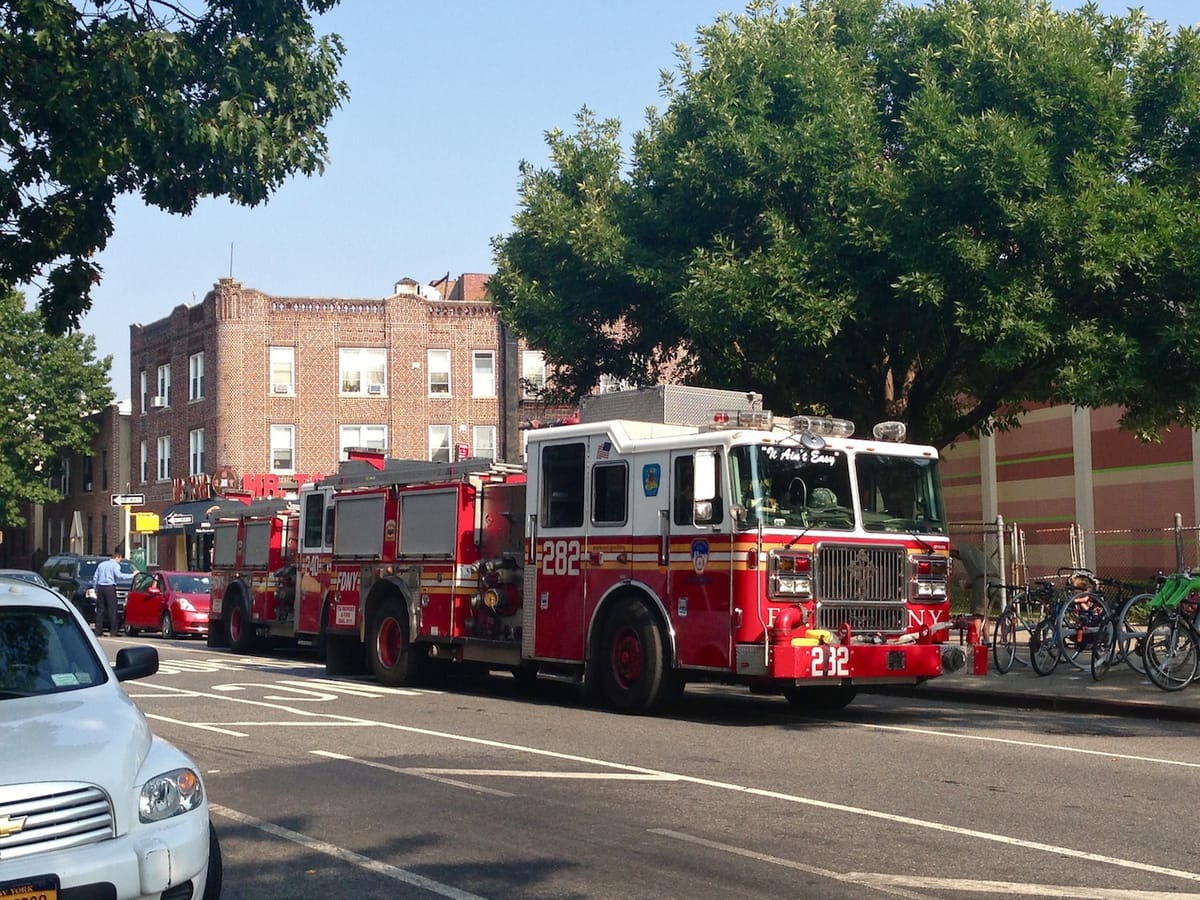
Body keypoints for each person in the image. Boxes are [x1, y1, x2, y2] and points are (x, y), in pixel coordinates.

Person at [94, 549, 123, 637]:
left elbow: (95, 577)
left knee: (100, 610)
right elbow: (119, 575)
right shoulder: (115, 565)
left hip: (100, 587)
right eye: (120, 559)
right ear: (117, 557)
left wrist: (95, 588)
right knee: (112, 609)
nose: (120, 561)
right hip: (110, 587)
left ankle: (98, 631)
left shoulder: (101, 564)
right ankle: (113, 631)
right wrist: (132, 575)